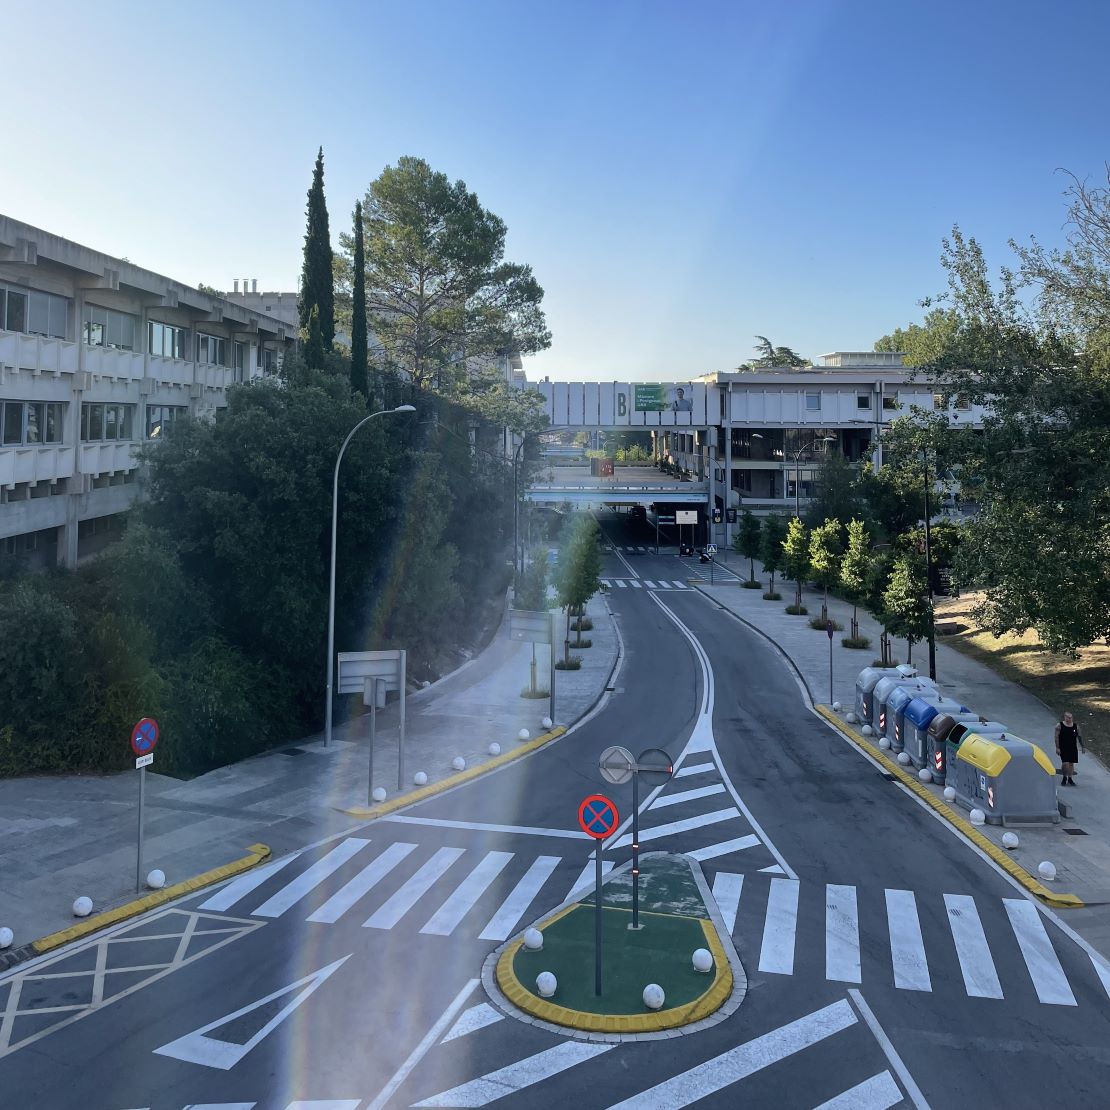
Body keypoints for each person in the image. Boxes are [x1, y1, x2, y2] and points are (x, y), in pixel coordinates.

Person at [1055, 711, 1082, 786]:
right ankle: (1064, 777)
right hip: (1063, 747)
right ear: (1065, 717)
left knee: (1071, 764)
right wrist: (1057, 747)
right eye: (1068, 717)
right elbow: (1056, 737)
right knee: (1065, 763)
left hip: (1073, 747)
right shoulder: (1059, 725)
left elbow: (1079, 736)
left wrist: (1082, 746)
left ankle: (1070, 778)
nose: (1070, 719)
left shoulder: (1075, 726)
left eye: (1071, 718)